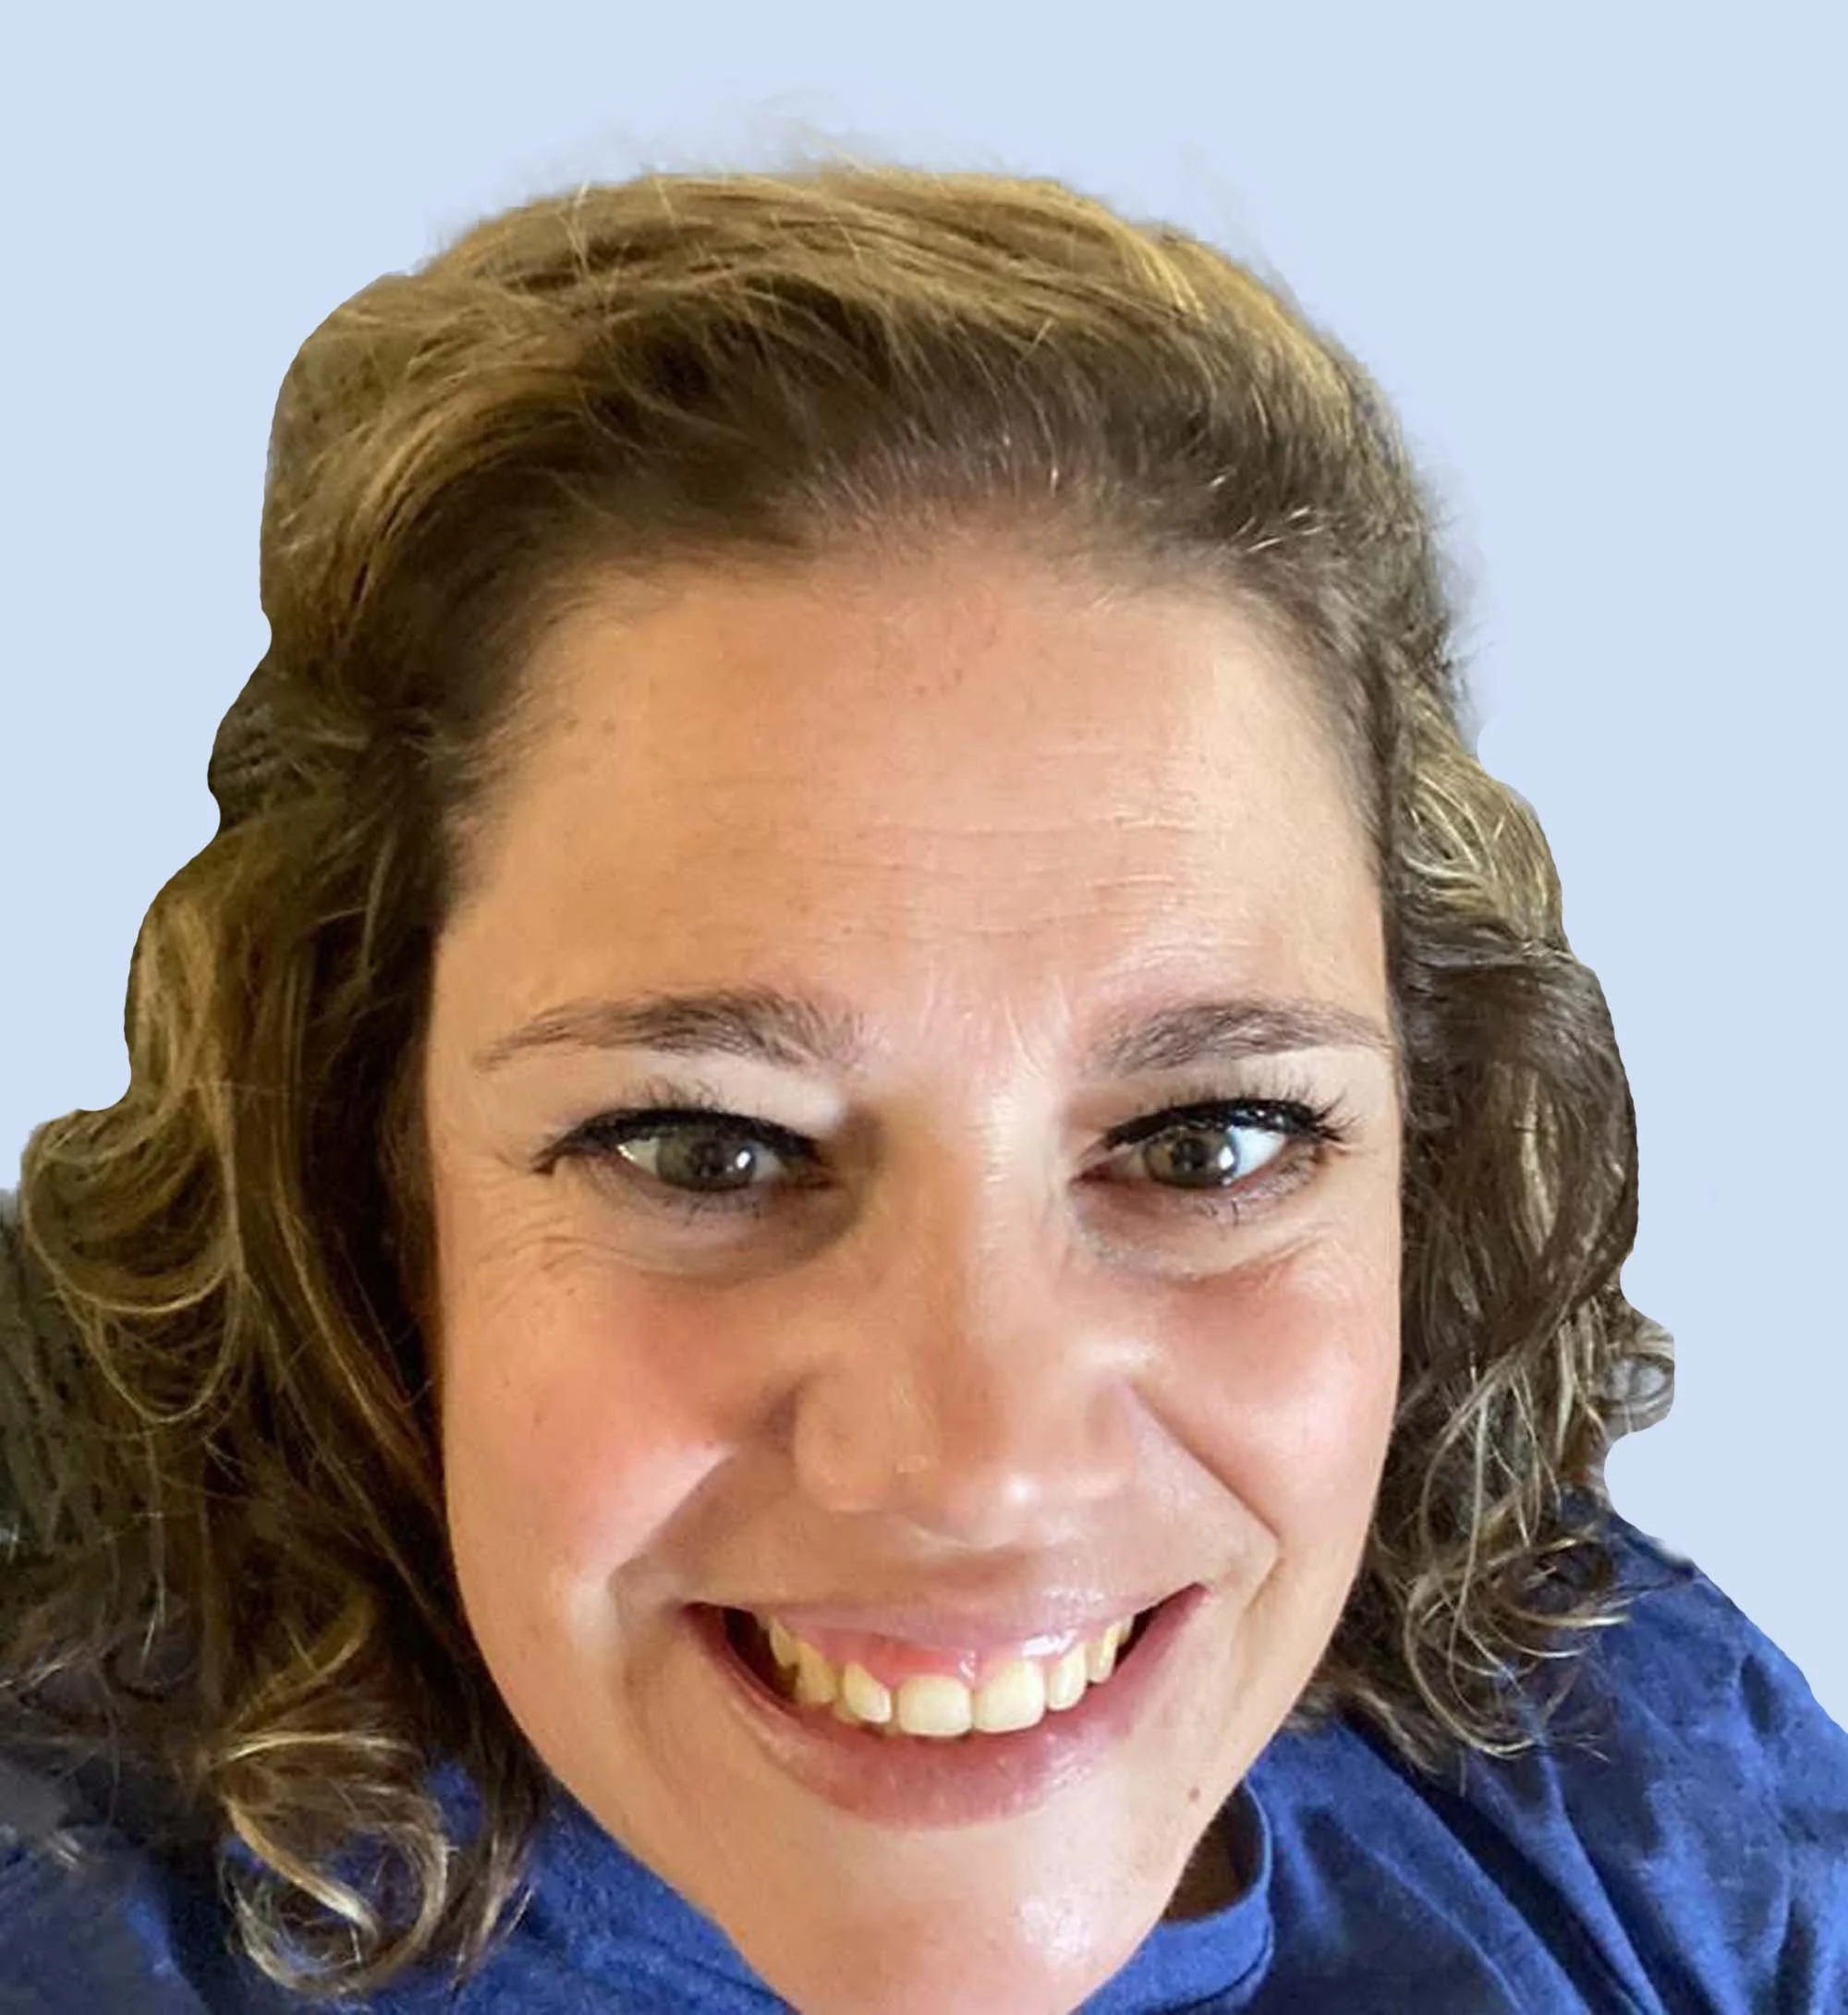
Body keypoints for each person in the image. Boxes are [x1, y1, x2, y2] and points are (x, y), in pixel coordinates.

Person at [0, 160, 1842, 2015]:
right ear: (361, 1188)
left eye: (1206, 1141)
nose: (982, 1463)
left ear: (1420, 1169)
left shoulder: (1635, 1762)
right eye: (706, 1144)